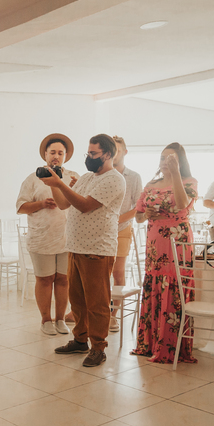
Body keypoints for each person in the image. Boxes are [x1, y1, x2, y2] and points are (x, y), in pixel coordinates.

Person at [43, 134, 127, 368]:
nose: (88, 158)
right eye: (88, 153)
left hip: (98, 248)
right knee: (77, 299)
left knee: (97, 302)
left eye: (93, 154)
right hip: (76, 247)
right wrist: (54, 183)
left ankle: (98, 347)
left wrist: (59, 184)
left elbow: (85, 205)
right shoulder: (88, 177)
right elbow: (64, 204)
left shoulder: (114, 179)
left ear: (108, 155)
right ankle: (80, 340)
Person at [132, 143, 198, 364]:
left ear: (180, 162)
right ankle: (149, 344)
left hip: (177, 239)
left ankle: (171, 346)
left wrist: (176, 173)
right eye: (162, 158)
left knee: (174, 284)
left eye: (171, 159)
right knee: (155, 283)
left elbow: (182, 204)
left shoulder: (189, 182)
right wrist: (146, 213)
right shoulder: (151, 184)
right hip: (155, 241)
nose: (165, 162)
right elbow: (138, 216)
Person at [16, 134, 78, 335]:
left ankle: (60, 319)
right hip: (42, 238)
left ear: (65, 156)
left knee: (63, 279)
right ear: (45, 154)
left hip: (68, 238)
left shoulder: (73, 177)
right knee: (44, 279)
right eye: (52, 152)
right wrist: (42, 204)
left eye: (60, 153)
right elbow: (21, 207)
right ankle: (46, 320)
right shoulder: (33, 178)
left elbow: (80, 203)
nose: (56, 156)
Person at [110, 136, 144, 332]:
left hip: (122, 230)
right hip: (101, 231)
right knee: (99, 274)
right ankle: (94, 311)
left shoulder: (134, 177)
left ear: (125, 152)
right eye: (111, 150)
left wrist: (118, 220)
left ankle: (113, 315)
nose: (114, 154)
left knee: (118, 272)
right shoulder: (101, 174)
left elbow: (139, 206)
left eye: (118, 150)